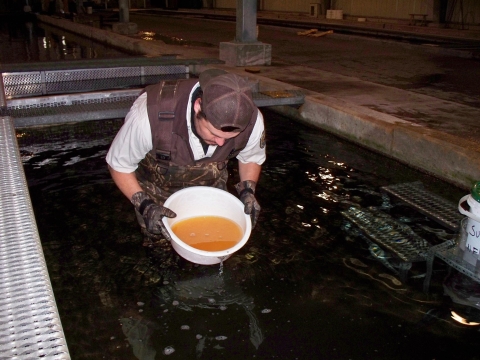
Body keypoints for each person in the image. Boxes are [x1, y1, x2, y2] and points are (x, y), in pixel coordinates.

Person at [106, 69, 266, 253]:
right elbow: (119, 165)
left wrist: (248, 190)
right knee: (159, 249)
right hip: (155, 196)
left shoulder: (253, 121)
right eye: (214, 134)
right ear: (198, 106)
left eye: (230, 137)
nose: (221, 143)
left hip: (211, 194)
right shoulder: (148, 115)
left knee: (212, 245)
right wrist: (145, 205)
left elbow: (251, 157)